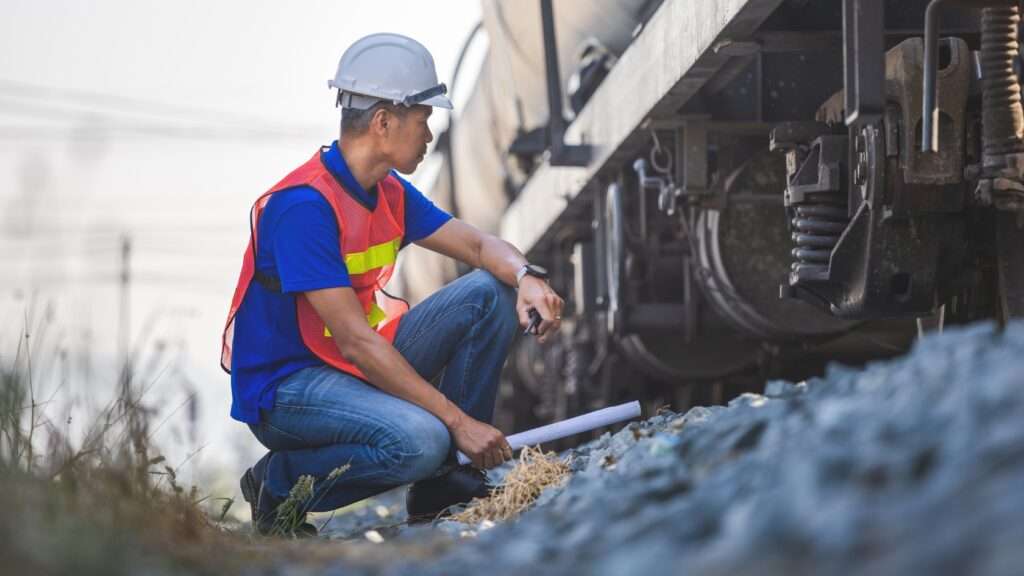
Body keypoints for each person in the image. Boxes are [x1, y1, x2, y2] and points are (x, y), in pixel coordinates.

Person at [220, 32, 564, 535]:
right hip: (288, 388)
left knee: (490, 293)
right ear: (384, 121)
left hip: (345, 365)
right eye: (423, 120)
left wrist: (525, 275)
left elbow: (477, 247)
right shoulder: (303, 208)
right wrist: (459, 423)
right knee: (421, 441)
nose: (429, 136)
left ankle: (447, 483)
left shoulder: (388, 192)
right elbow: (357, 343)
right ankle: (277, 483)